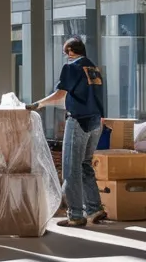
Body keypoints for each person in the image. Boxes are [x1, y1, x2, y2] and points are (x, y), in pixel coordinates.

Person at [26, 36, 107, 227]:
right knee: (86, 165)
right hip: (96, 122)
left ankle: (76, 214)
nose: (66, 56)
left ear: (70, 51)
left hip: (78, 121)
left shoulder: (71, 67)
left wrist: (39, 104)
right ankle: (95, 209)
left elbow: (60, 94)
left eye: (65, 53)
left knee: (71, 168)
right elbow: (77, 97)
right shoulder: (93, 69)